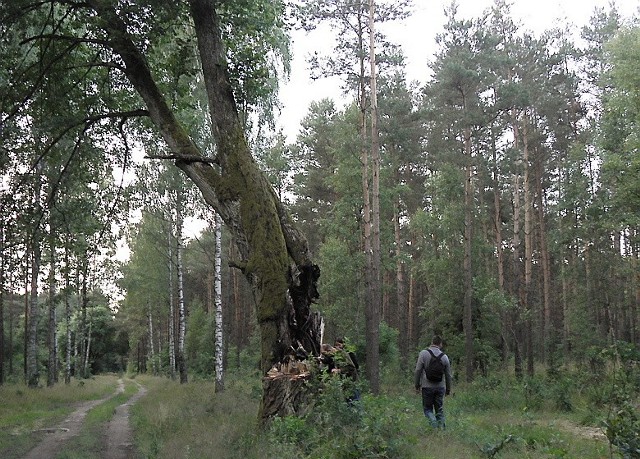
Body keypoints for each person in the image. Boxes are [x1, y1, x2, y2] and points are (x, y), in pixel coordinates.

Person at [414, 335, 452, 429]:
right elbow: (448, 375)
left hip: (427, 387)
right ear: (440, 344)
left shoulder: (423, 353)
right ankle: (442, 430)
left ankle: (433, 424)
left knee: (427, 409)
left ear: (432, 342)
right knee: (439, 410)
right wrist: (448, 389)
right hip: (440, 387)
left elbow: (418, 370)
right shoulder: (445, 357)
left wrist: (417, 385)